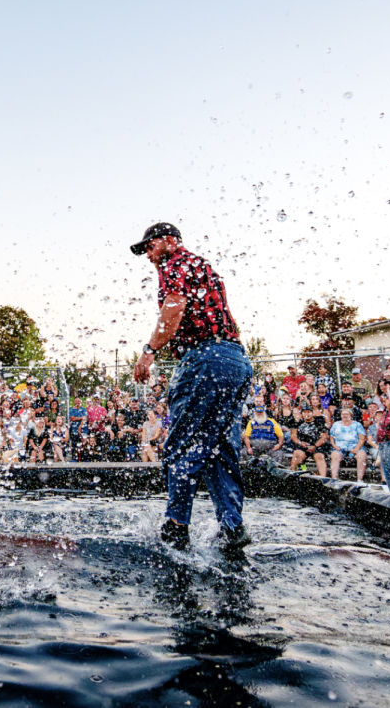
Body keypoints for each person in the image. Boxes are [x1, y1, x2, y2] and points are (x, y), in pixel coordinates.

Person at [130, 222, 252, 553]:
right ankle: (232, 528)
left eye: (150, 247)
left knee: (182, 444)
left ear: (169, 241)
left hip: (205, 361)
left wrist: (149, 352)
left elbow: (173, 308)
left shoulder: (175, 262)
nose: (149, 256)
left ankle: (176, 527)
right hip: (235, 360)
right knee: (218, 449)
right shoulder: (203, 265)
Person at [329, 408, 367, 481]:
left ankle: (360, 480)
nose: (344, 415)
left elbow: (362, 438)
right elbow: (331, 437)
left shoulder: (357, 424)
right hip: (340, 447)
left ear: (351, 415)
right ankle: (334, 479)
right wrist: (334, 446)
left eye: (347, 414)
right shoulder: (336, 424)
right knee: (335, 456)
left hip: (355, 446)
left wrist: (357, 448)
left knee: (361, 456)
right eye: (343, 414)